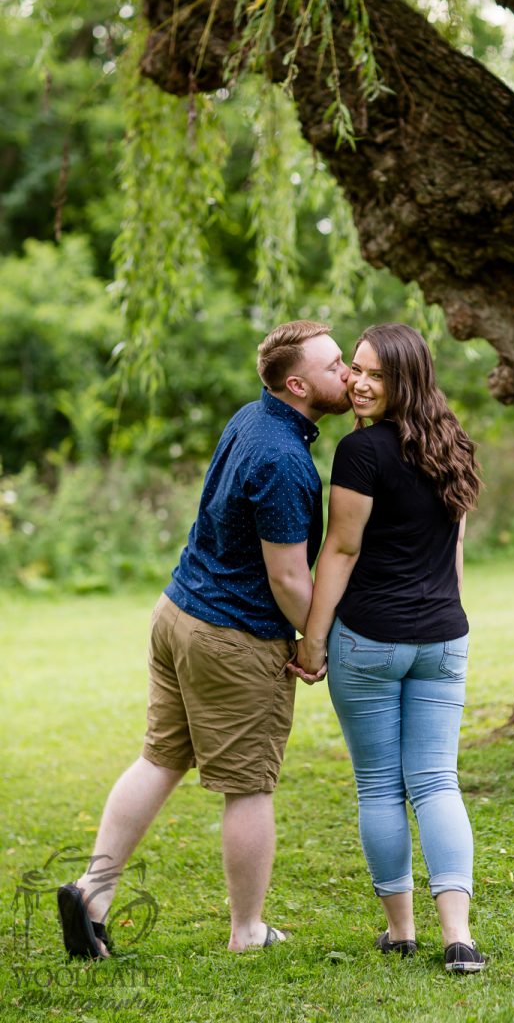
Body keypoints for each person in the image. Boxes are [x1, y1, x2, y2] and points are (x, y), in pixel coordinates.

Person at [57, 320, 349, 958]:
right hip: (232, 636)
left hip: (177, 613)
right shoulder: (283, 458)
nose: (348, 373)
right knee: (249, 784)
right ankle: (248, 932)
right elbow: (288, 576)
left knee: (159, 758)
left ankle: (92, 893)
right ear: (298, 384)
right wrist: (314, 642)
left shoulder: (252, 418)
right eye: (335, 366)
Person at [291, 323, 486, 973]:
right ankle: (456, 938)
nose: (359, 383)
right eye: (358, 370)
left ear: (407, 379)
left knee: (380, 785)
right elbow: (453, 552)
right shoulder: (453, 444)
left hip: (370, 640)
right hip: (442, 639)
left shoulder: (362, 453)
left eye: (376, 373)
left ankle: (403, 932)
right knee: (435, 781)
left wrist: (311, 643)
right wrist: (445, 613)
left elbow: (340, 551)